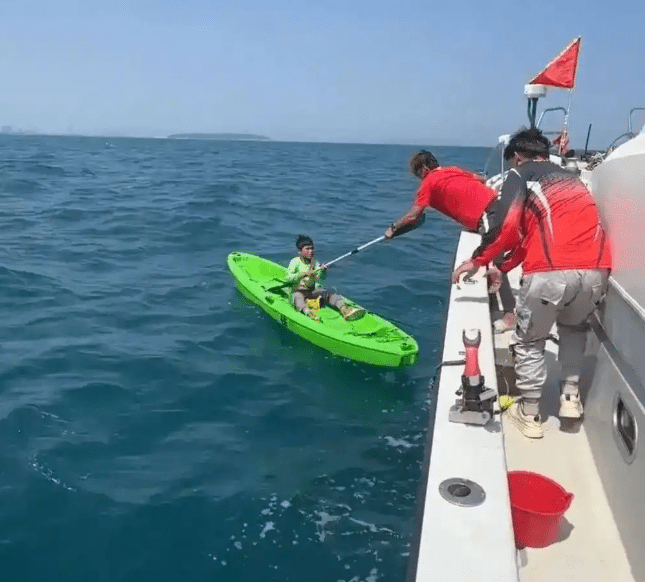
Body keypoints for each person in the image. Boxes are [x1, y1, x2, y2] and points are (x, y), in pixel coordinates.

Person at [452, 128, 612, 439]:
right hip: (597, 269)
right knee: (573, 329)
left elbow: (508, 225)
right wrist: (506, 265)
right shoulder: (571, 177)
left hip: (551, 272)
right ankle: (570, 400)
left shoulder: (520, 174)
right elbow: (532, 234)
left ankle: (530, 413)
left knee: (529, 341)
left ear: (518, 157)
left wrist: (479, 260)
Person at [384, 149, 516, 325]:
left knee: (494, 264)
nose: (419, 179)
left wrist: (393, 228)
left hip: (489, 216)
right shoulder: (452, 170)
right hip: (503, 206)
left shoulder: (428, 182)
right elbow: (481, 179)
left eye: (417, 174)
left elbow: (414, 215)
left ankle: (510, 315)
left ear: (423, 169)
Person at [286, 235, 365, 321]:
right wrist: (304, 274)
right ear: (300, 251)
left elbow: (321, 278)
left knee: (330, 294)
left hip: (311, 290)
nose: (311, 251)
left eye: (312, 248)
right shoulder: (295, 262)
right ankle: (307, 312)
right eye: (307, 249)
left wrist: (323, 271)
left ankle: (344, 309)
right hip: (298, 291)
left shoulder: (315, 263)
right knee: (297, 297)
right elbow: (289, 278)